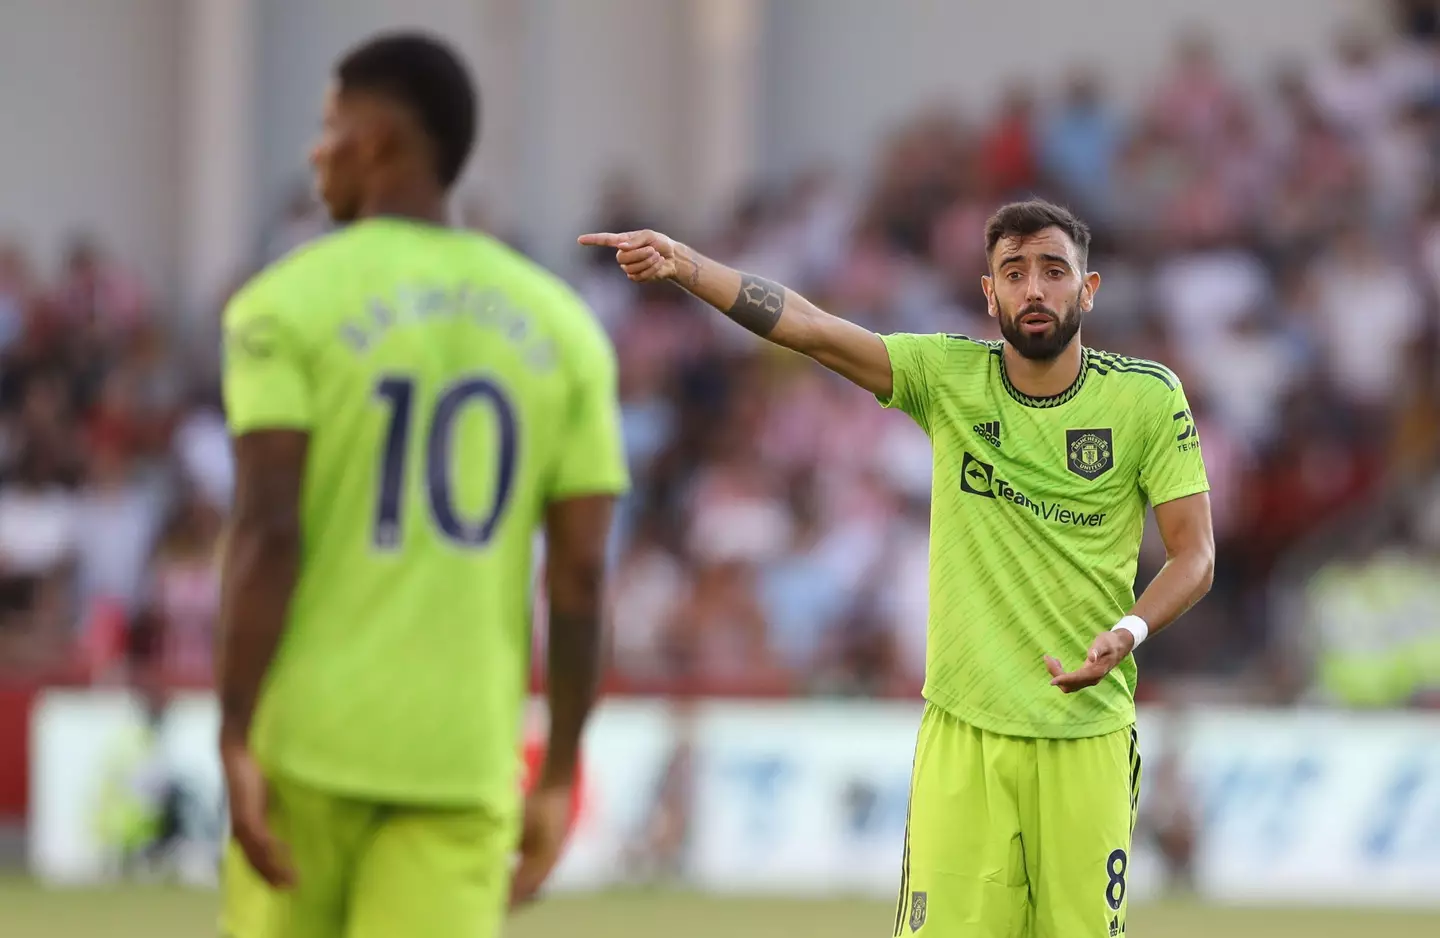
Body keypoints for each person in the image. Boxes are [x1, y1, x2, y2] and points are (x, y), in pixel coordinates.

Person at [581, 198, 1214, 938]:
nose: (1034, 290)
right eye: (1014, 273)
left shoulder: (1143, 397)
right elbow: (812, 328)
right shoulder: (947, 377)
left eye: (1053, 271)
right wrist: (687, 265)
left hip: (1088, 740)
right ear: (990, 293)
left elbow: (1194, 553)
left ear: (1089, 288)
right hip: (965, 736)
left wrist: (1130, 629)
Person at [219, 32, 628, 938]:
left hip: (305, 751)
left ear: (374, 141)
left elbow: (266, 532)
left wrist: (234, 730)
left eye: (329, 128)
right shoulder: (563, 328)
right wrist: (559, 769)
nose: (316, 151)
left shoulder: (281, 305)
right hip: (460, 764)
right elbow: (581, 577)